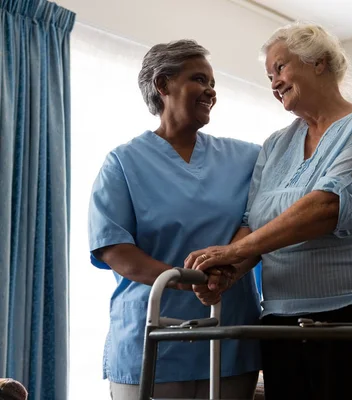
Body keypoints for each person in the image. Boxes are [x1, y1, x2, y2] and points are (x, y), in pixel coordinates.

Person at [185, 22, 352, 400]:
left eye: (280, 67)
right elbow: (252, 225)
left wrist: (234, 253)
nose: (274, 82)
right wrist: (227, 273)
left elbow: (327, 207)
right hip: (282, 321)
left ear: (320, 62)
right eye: (269, 76)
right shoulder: (275, 145)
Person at [87, 39, 262, 400]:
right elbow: (115, 250)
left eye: (213, 83)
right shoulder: (123, 162)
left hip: (228, 336)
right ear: (162, 86)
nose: (211, 91)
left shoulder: (247, 158)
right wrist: (190, 281)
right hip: (152, 336)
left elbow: (297, 174)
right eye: (199, 79)